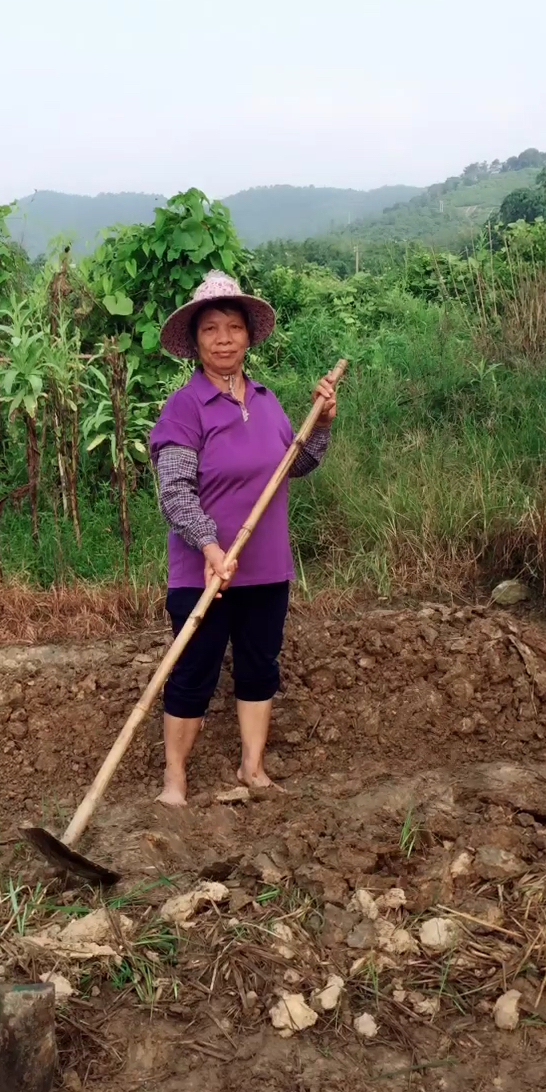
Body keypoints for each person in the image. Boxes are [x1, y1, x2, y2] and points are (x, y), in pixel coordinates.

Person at [150, 270, 338, 807]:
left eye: (234, 327)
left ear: (248, 337)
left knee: (260, 666)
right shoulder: (184, 409)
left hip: (266, 567)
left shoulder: (267, 399)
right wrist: (210, 547)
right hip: (204, 570)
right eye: (212, 329)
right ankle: (175, 781)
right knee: (193, 672)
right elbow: (176, 492)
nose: (225, 338)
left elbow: (293, 465)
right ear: (195, 342)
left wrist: (320, 423)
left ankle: (252, 768)